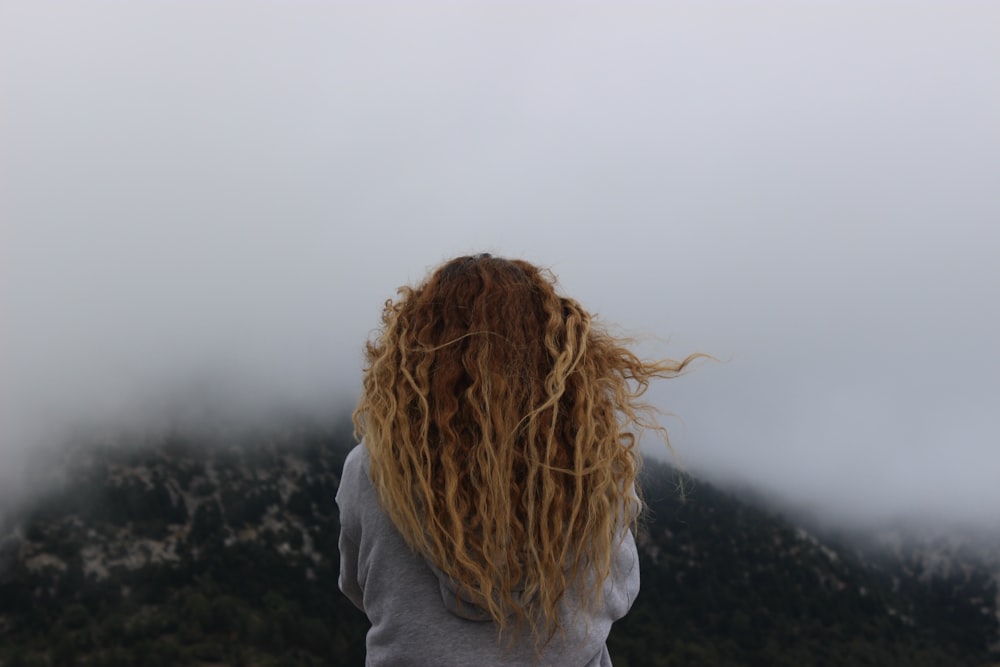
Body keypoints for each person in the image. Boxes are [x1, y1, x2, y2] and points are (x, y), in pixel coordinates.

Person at [337, 254, 698, 666]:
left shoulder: (372, 468)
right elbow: (617, 592)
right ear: (553, 352)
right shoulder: (592, 465)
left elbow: (360, 585)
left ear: (417, 353)